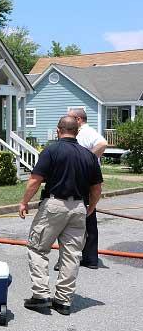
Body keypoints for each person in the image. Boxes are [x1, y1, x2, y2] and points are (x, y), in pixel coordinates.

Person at [20, 116, 103, 316]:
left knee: (38, 248)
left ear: (59, 130)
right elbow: (97, 188)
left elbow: (35, 180)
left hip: (54, 205)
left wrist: (24, 202)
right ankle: (63, 301)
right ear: (77, 132)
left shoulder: (52, 150)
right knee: (71, 255)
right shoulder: (88, 156)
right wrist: (91, 206)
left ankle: (41, 296)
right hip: (79, 208)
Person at [67, 107, 107, 269]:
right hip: (85, 178)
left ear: (78, 119)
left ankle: (79, 259)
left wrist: (87, 159)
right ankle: (89, 258)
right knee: (85, 218)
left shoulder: (86, 131)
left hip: (83, 180)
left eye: (69, 118)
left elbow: (103, 143)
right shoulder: (79, 132)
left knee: (75, 218)